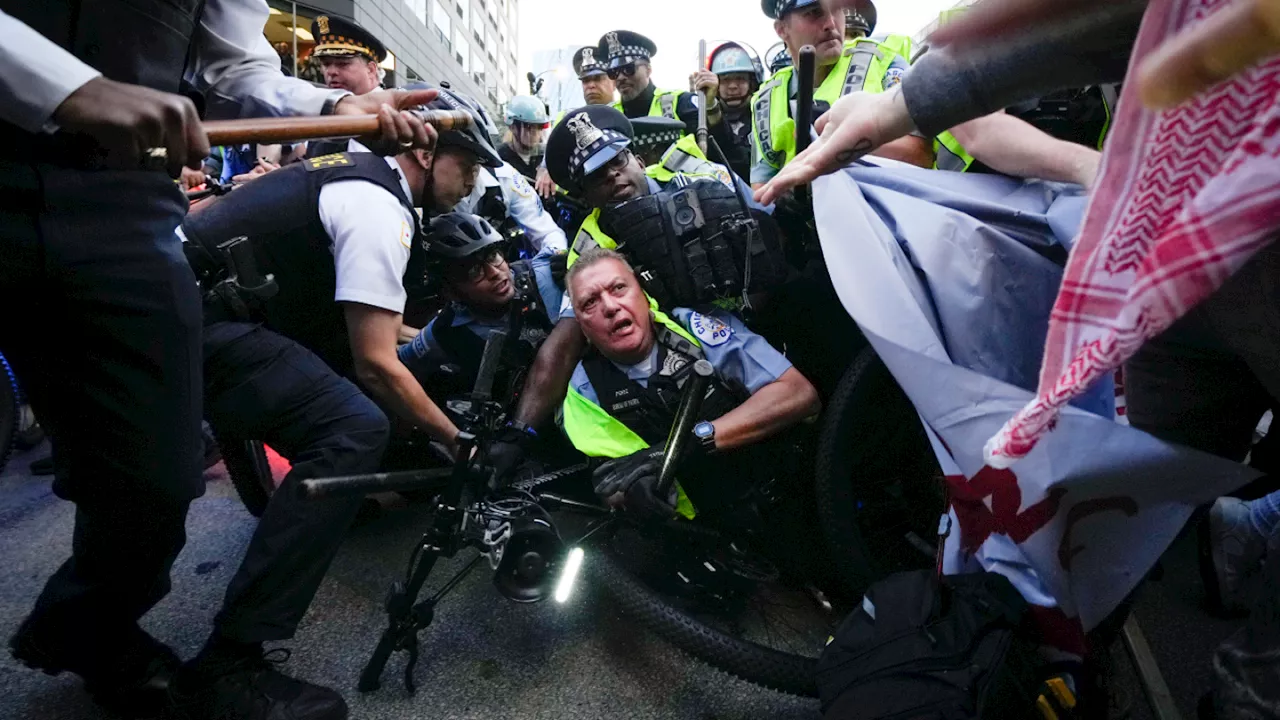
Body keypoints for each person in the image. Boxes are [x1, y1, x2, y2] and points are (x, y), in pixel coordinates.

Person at [0, 1, 438, 718]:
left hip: (119, 204)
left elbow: (233, 62)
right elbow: (376, 360)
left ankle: (83, 626)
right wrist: (67, 89)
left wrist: (332, 103)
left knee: (157, 482)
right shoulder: (374, 204)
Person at [174, 87, 497, 720]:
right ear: (427, 153)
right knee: (353, 428)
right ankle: (232, 661)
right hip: (199, 325)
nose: (473, 184)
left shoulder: (354, 177)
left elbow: (377, 326)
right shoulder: (382, 207)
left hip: (193, 309)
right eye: (469, 167)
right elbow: (375, 363)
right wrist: (457, 442)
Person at [487, 105, 771, 479]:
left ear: (637, 158)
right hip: (694, 347)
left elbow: (771, 221)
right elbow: (567, 341)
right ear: (585, 195)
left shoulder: (696, 173)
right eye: (597, 175)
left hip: (765, 308)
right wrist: (519, 433)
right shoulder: (590, 244)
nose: (614, 175)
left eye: (617, 160)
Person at [562, 248, 820, 519]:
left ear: (643, 294)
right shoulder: (583, 393)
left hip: (788, 492)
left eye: (618, 288)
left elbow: (798, 393)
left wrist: (692, 443)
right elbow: (609, 480)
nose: (610, 306)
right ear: (582, 326)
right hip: (709, 533)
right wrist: (630, 493)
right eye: (590, 302)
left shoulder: (694, 327)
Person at [398, 213, 554, 456]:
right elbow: (401, 368)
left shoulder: (544, 278)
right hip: (515, 434)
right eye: (474, 271)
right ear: (451, 292)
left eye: (493, 256)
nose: (495, 272)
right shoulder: (446, 330)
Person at [750, 0, 932, 187]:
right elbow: (760, 184)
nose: (831, 24)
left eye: (838, 10)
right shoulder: (766, 98)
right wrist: (782, 196)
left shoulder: (883, 62)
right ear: (782, 29)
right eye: (813, 13)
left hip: (882, 209)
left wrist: (834, 144)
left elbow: (919, 154)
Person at [597, 29, 722, 138]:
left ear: (648, 69)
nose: (621, 77)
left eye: (628, 69)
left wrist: (711, 106)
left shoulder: (680, 103)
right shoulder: (609, 116)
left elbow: (719, 151)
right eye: (613, 72)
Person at [306, 14, 386, 157]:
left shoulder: (390, 114)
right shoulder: (321, 112)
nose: (331, 72)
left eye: (343, 63)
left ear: (371, 69)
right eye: (326, 64)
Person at [707, 41, 766, 181]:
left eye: (740, 79)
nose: (732, 86)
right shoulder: (702, 120)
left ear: (753, 83)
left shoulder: (765, 116)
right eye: (725, 80)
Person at [500, 95, 550, 182]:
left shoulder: (547, 158)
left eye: (540, 126)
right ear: (513, 127)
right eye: (529, 126)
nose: (535, 132)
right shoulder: (500, 159)